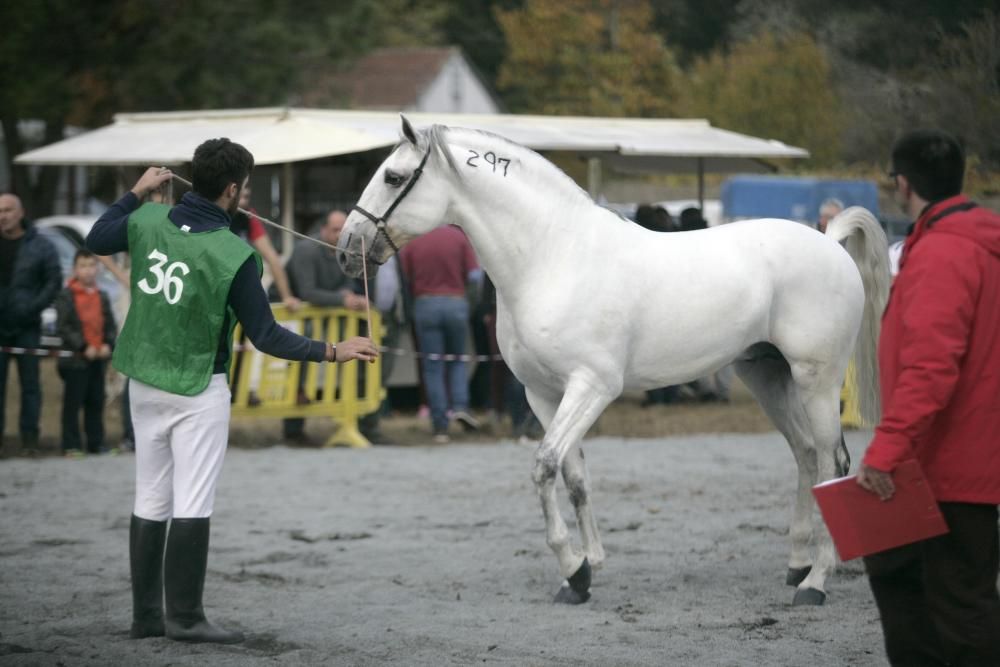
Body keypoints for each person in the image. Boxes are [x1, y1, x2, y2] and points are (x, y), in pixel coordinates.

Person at [86, 139, 378, 645]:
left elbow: (97, 236)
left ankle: (147, 617)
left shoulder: (149, 220)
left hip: (144, 380)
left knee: (151, 496)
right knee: (192, 500)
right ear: (231, 189)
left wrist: (135, 193)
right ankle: (186, 617)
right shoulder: (235, 254)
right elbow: (267, 336)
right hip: (199, 387)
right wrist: (334, 351)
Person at [856, 129, 1000, 666]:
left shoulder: (943, 252)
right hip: (966, 462)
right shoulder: (977, 241)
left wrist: (886, 449)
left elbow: (932, 367)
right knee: (948, 597)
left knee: (953, 610)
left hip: (938, 467)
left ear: (903, 183)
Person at [280, 209, 369, 443]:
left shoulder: (344, 252)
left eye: (343, 229)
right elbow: (307, 292)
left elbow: (347, 284)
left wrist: (352, 297)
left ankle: (349, 414)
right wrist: (343, 300)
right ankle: (292, 430)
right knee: (298, 364)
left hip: (316, 319)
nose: (340, 234)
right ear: (323, 230)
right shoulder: (306, 250)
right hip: (286, 316)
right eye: (335, 229)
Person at [400, 224, 482, 443]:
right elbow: (475, 277)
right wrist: (468, 307)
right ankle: (460, 406)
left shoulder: (413, 238)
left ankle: (440, 425)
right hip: (456, 304)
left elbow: (404, 278)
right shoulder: (458, 237)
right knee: (456, 360)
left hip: (425, 305)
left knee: (433, 365)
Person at [0, 193, 62, 455]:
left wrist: (32, 308)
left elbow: (53, 282)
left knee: (31, 386)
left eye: (8, 210)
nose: (3, 216)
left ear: (21, 212)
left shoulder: (41, 245)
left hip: (28, 325)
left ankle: (30, 440)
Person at [55, 249, 117, 456]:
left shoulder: (102, 295)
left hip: (98, 359)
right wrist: (83, 347)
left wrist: (108, 343)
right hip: (75, 361)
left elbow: (109, 324)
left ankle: (96, 442)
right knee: (73, 403)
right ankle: (70, 444)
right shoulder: (66, 295)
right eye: (83, 266)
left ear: (97, 268)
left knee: (96, 401)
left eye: (92, 265)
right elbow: (64, 327)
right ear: (75, 269)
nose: (88, 271)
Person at [231, 185, 300, 311]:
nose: (244, 201)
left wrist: (287, 297)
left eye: (246, 197)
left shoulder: (248, 215)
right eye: (240, 197)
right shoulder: (216, 213)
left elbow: (271, 256)